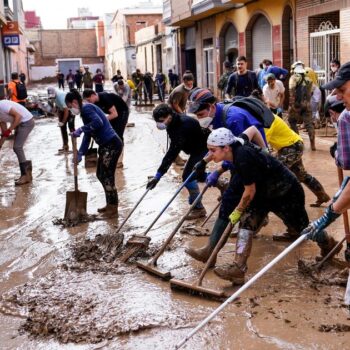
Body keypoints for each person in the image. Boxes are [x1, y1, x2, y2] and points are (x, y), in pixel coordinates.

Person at [187, 128, 339, 285]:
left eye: (213, 151)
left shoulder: (243, 157)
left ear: (226, 148)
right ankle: (238, 268)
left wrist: (237, 210)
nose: (210, 155)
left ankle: (328, 243)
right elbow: (251, 189)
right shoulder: (235, 146)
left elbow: (249, 191)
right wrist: (204, 162)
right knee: (246, 224)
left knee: (303, 228)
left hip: (285, 192)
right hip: (263, 194)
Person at [65, 89, 123, 218]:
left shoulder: (86, 109)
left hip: (112, 144)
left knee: (107, 177)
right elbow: (88, 135)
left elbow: (98, 123)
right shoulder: (84, 112)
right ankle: (110, 204)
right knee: (100, 174)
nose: (70, 110)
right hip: (105, 145)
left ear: (75, 102)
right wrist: (80, 153)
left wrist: (81, 129)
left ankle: (113, 209)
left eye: (70, 107)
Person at [146, 103, 209, 220]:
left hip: (202, 149)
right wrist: (158, 175)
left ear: (169, 116)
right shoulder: (173, 122)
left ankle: (199, 208)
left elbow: (172, 153)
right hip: (194, 148)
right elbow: (173, 148)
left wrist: (158, 175)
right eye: (157, 121)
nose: (159, 124)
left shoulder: (182, 126)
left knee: (188, 177)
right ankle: (220, 182)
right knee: (198, 176)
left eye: (161, 120)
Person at [83, 89, 129, 169]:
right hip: (113, 114)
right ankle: (110, 156)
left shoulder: (104, 98)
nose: (89, 102)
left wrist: (102, 120)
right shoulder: (94, 103)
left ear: (93, 95)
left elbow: (114, 114)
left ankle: (119, 160)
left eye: (89, 100)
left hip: (122, 112)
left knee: (118, 134)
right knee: (110, 133)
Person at [0, 100, 34, 185]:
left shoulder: (2, 105)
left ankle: (25, 175)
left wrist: (10, 129)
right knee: (17, 147)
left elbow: (18, 116)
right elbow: (4, 132)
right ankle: (28, 174)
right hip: (20, 123)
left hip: (27, 121)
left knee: (17, 147)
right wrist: (0, 145)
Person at [288, 61, 316, 150]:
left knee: (292, 121)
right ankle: (312, 144)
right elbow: (310, 93)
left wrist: (292, 105)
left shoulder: (293, 78)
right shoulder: (309, 79)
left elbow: (291, 91)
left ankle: (298, 142)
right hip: (307, 104)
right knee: (309, 124)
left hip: (297, 104)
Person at [47, 87, 75, 153]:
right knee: (62, 128)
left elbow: (66, 111)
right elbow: (58, 106)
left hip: (70, 110)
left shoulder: (61, 96)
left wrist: (63, 121)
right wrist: (60, 119)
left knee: (71, 128)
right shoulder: (53, 96)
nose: (52, 97)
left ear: (55, 93)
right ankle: (65, 146)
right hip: (63, 109)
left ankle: (74, 147)